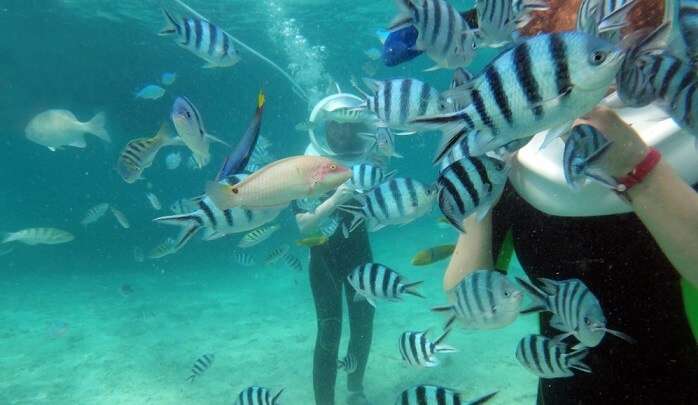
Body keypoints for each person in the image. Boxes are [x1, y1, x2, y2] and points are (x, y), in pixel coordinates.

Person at [443, 106, 698, 403]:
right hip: (566, 387)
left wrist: (633, 163)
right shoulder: (524, 166)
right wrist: (476, 178)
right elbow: (463, 297)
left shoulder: (686, 134)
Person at [295, 93, 382, 405]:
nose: (341, 133)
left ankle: (355, 388)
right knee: (329, 332)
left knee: (363, 322)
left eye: (348, 126)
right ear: (324, 126)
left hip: (360, 251)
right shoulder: (308, 161)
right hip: (324, 259)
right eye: (335, 126)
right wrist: (336, 198)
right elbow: (304, 224)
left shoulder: (369, 158)